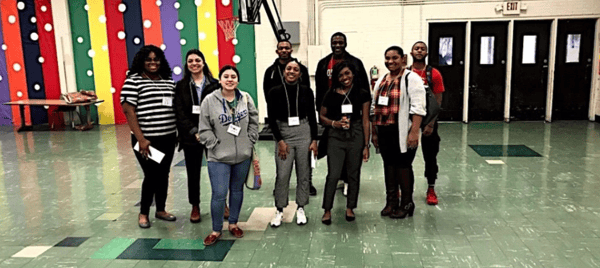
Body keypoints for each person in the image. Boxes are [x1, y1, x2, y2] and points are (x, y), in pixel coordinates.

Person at [198, 65, 259, 245]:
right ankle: (216, 229)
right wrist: (214, 144)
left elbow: (254, 119)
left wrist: (250, 139)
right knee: (219, 193)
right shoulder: (210, 100)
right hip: (218, 157)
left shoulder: (245, 98)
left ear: (238, 80)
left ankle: (233, 224)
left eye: (233, 76)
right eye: (226, 76)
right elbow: (204, 127)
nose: (230, 79)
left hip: (242, 155)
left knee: (237, 190)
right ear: (220, 80)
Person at [121, 45, 178, 229]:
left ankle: (160, 209)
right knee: (152, 175)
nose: (153, 63)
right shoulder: (133, 81)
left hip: (168, 138)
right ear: (142, 61)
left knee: (164, 174)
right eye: (149, 59)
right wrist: (141, 139)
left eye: (156, 59)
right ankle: (143, 212)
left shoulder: (168, 81)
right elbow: (128, 110)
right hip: (146, 140)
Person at [371, 46, 426, 219]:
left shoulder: (412, 79)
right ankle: (391, 202)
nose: (390, 62)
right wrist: (374, 133)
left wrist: (414, 133)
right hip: (384, 130)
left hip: (402, 130)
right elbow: (374, 108)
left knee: (403, 166)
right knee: (389, 166)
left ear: (403, 59)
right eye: (387, 58)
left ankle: (407, 203)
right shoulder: (382, 80)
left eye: (394, 58)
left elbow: (419, 108)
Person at [315, 32, 369, 196]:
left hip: (351, 110)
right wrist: (320, 112)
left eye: (340, 42)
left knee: (351, 146)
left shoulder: (356, 63)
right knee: (334, 146)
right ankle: (338, 175)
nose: (337, 45)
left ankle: (347, 179)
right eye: (334, 42)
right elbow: (319, 88)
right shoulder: (324, 63)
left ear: (345, 43)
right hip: (331, 111)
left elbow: (364, 86)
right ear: (331, 44)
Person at [267, 60, 318, 227]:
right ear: (284, 72)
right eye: (288, 68)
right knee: (283, 174)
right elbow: (271, 119)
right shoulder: (274, 92)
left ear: (300, 74)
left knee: (304, 173)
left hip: (304, 132)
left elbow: (312, 116)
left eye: (295, 69)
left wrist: (314, 140)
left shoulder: (306, 91)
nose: (291, 71)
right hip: (284, 133)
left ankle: (301, 207)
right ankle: (280, 209)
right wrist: (279, 140)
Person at [319, 62, 371, 224]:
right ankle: (327, 209)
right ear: (336, 77)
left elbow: (365, 120)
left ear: (353, 74)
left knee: (353, 174)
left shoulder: (362, 93)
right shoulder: (330, 94)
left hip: (355, 134)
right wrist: (334, 123)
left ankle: (350, 207)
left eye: (347, 73)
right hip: (336, 135)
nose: (344, 78)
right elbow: (321, 117)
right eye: (341, 75)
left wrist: (366, 145)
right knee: (333, 174)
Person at [263, 40, 316, 196]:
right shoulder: (270, 71)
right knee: (283, 156)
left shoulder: (303, 70)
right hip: (282, 121)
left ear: (291, 49)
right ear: (277, 51)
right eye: (281, 48)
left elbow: (306, 94)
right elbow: (267, 94)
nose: (284, 50)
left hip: (300, 123)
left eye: (287, 47)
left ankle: (308, 183)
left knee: (304, 160)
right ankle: (280, 185)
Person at [174, 49, 218, 223]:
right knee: (193, 174)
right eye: (190, 61)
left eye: (197, 60)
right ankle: (195, 205)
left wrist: (208, 132)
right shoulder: (181, 86)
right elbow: (179, 112)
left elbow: (219, 108)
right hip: (190, 137)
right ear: (187, 64)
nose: (194, 63)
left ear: (203, 62)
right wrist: (194, 131)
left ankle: (221, 203)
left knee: (217, 171)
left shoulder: (215, 84)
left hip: (213, 136)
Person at [408, 41, 445, 206]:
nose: (419, 50)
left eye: (422, 48)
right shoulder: (405, 73)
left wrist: (430, 124)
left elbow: (438, 101)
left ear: (426, 53)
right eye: (416, 48)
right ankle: (405, 188)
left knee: (430, 156)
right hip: (410, 120)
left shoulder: (434, 74)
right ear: (411, 52)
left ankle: (431, 188)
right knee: (406, 155)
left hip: (428, 120)